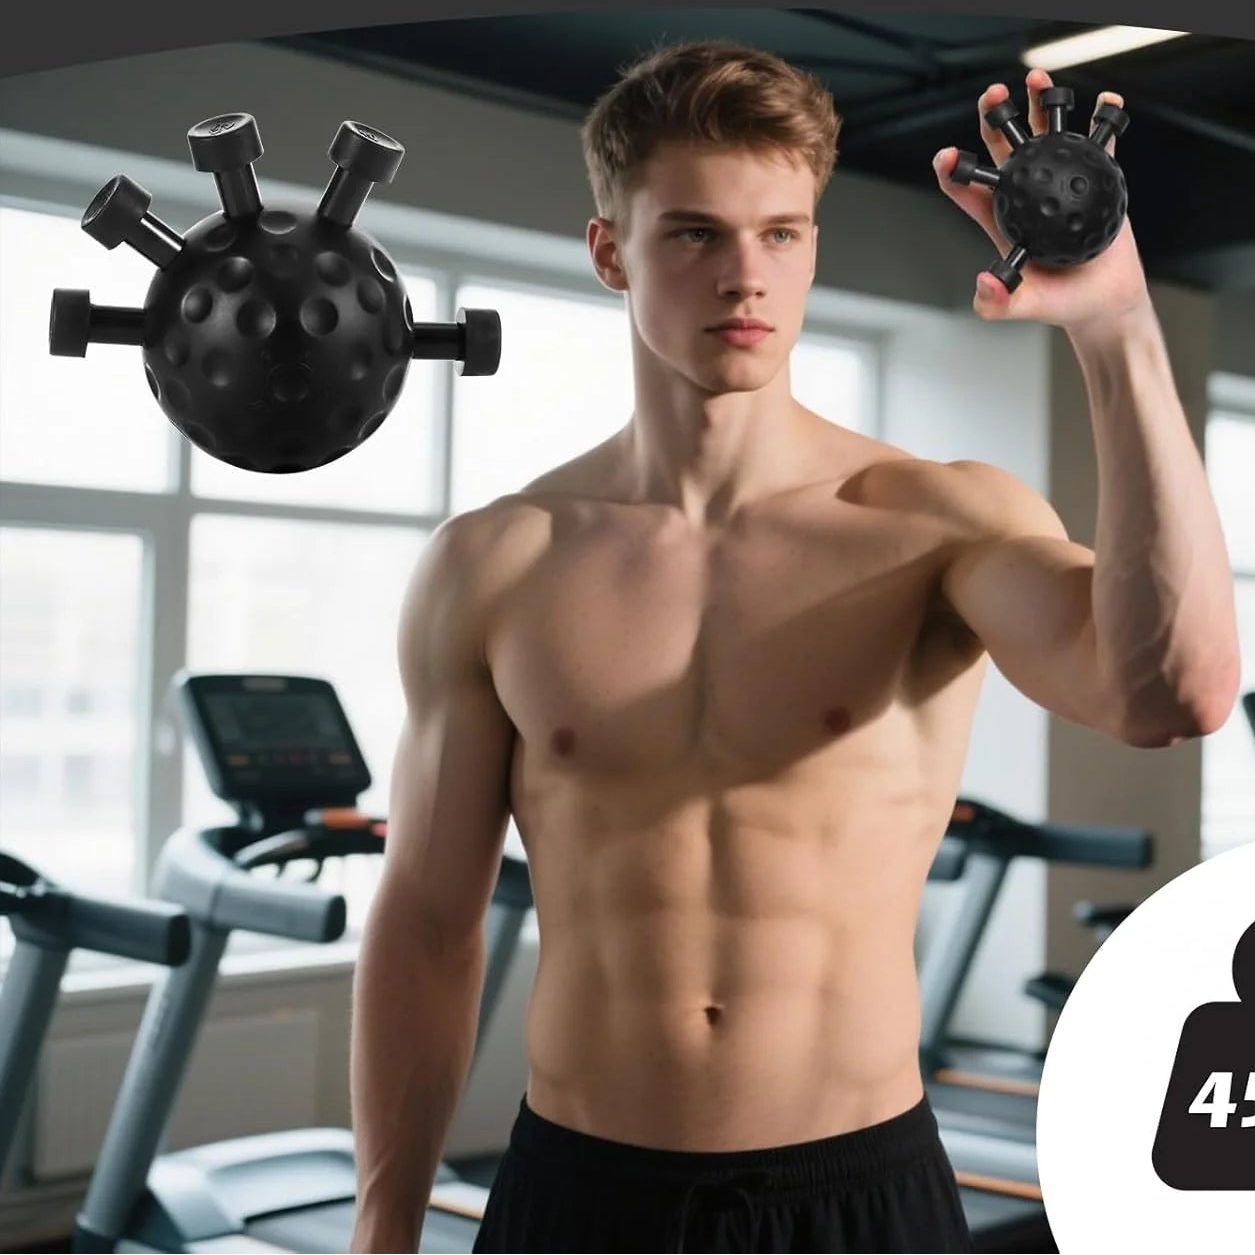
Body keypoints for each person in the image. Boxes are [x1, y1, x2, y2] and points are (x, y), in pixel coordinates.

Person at [347, 37, 1241, 1255]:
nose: (745, 276)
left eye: (783, 232)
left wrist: (1118, 328)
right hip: (580, 1193)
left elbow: (1174, 695)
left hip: (857, 1194)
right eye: (695, 234)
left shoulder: (936, 519)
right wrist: (382, 1226)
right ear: (612, 252)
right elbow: (429, 923)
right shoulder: (496, 562)